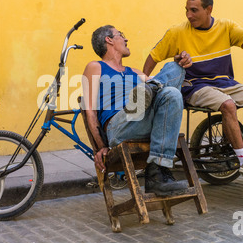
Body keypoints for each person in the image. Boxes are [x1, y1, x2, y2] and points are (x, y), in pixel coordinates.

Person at [142, 0, 243, 186]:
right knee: (228, 105)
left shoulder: (225, 26)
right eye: (187, 10)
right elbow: (153, 56)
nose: (189, 15)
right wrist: (145, 80)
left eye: (194, 10)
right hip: (195, 86)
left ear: (209, 9)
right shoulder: (177, 32)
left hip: (224, 82)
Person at [82, 25, 192, 195]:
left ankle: (156, 174)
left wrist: (181, 61)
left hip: (144, 120)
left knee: (173, 86)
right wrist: (100, 147)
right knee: (151, 92)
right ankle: (150, 89)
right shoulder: (95, 67)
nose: (126, 39)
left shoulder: (135, 72)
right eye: (121, 35)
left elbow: (171, 80)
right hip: (120, 126)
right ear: (109, 40)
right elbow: (90, 111)